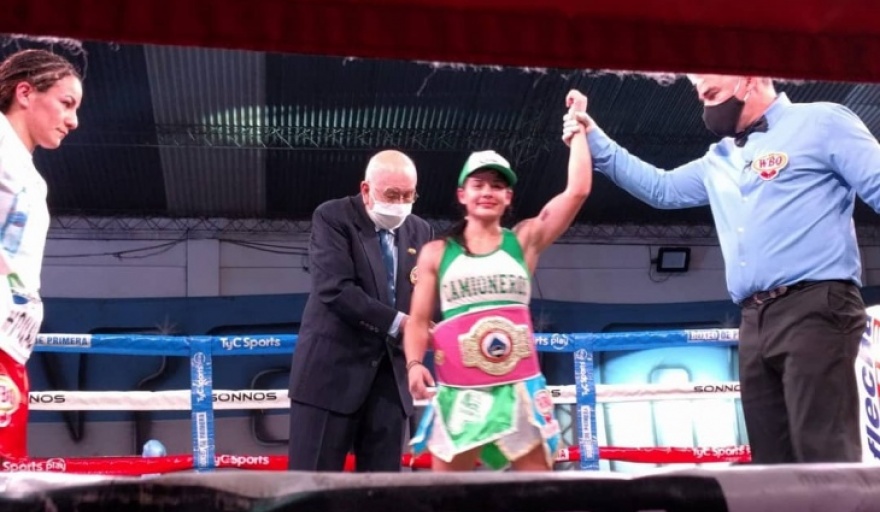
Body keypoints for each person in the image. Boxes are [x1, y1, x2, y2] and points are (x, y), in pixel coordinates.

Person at [562, 75, 880, 464]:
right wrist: (593, 137)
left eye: (711, 92)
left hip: (816, 304)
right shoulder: (720, 158)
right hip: (753, 318)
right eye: (700, 95)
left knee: (823, 455)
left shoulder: (822, 122)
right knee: (771, 465)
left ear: (748, 78)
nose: (704, 102)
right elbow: (661, 189)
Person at [405, 90, 592, 471]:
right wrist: (412, 364)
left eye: (496, 186)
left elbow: (577, 191)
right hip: (461, 391)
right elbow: (419, 320)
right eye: (479, 185)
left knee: (539, 489)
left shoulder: (524, 241)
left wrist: (578, 130)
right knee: (445, 494)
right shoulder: (436, 253)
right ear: (462, 194)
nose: (487, 192)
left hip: (519, 388)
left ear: (508, 197)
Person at [288, 149, 434, 472]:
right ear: (366, 190)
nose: (400, 204)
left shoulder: (420, 231)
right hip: (330, 378)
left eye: (409, 195)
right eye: (392, 195)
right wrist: (402, 323)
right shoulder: (333, 217)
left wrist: (427, 340)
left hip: (390, 385)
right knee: (309, 489)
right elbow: (335, 289)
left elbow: (422, 298)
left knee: (382, 493)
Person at [0, 49, 82, 459]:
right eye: (66, 103)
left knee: (8, 473)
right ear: (25, 93)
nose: (73, 120)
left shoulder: (23, 168)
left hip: (10, 345)